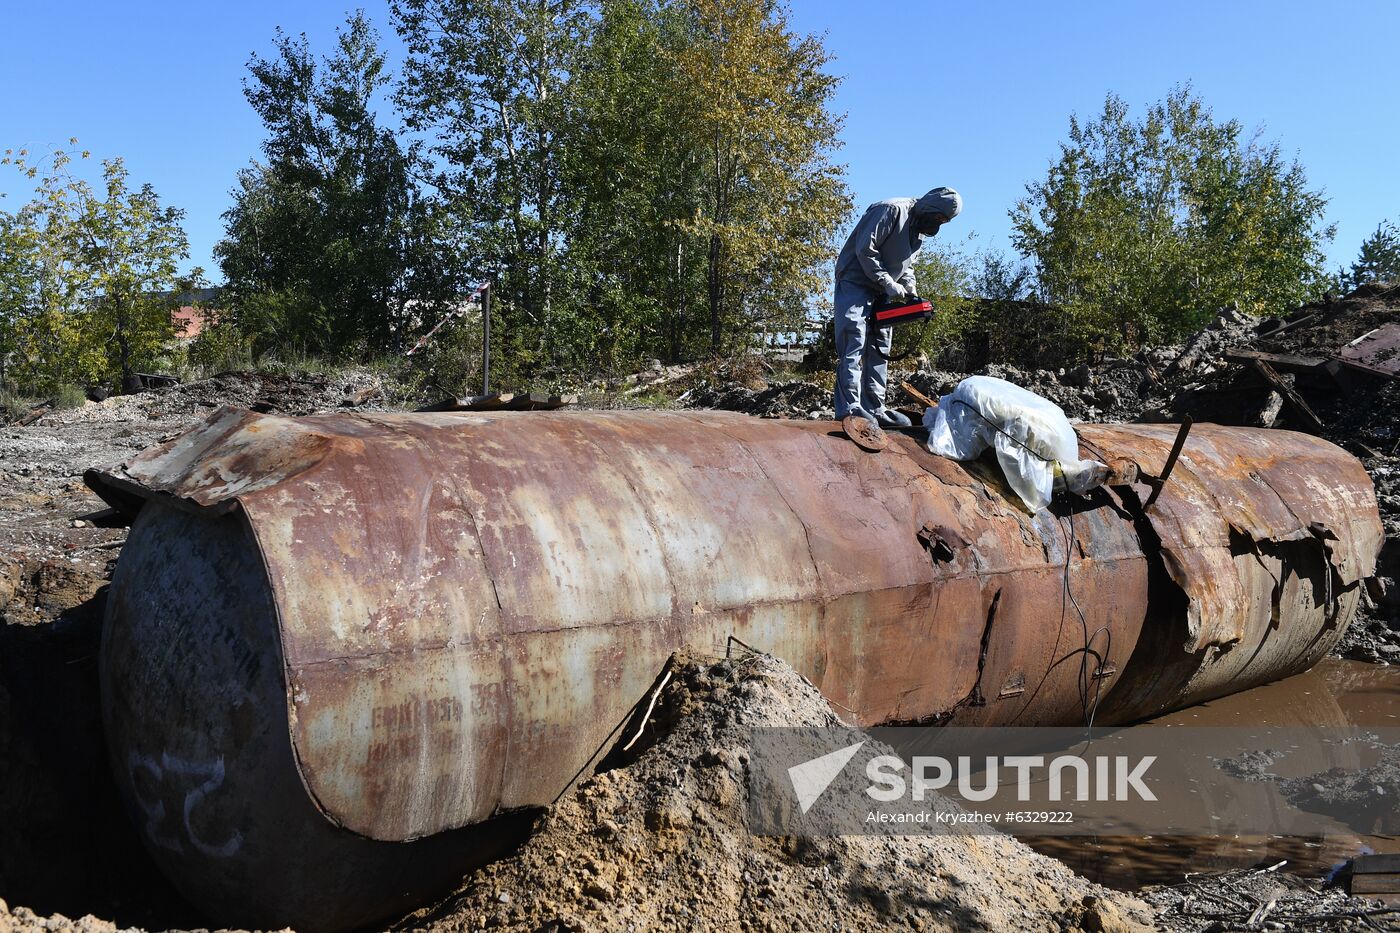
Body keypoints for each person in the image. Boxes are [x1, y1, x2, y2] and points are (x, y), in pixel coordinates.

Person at [832, 186, 962, 427]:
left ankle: (875, 408)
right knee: (854, 340)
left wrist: (909, 288)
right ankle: (850, 408)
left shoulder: (920, 229)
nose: (938, 224)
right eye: (938, 217)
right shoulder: (891, 210)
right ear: (930, 208)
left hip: (883, 289)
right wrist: (887, 281)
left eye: (944, 221)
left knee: (880, 346)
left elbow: (907, 264)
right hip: (855, 280)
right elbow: (865, 249)